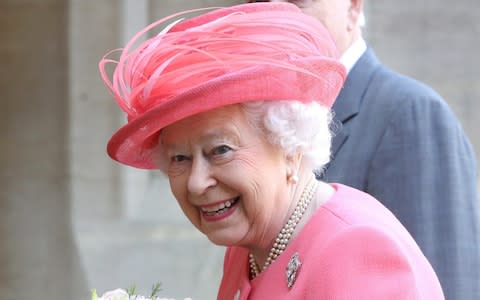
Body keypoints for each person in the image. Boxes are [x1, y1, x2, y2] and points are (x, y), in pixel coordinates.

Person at [99, 3, 445, 299]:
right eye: (180, 158)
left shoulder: (355, 247)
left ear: (290, 145)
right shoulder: (245, 247)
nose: (195, 182)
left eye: (220, 150)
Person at [247, 1, 480, 299]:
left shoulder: (410, 112)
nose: (277, 15)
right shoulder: (267, 117)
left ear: (353, 8)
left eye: (298, 3)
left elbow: (445, 279)